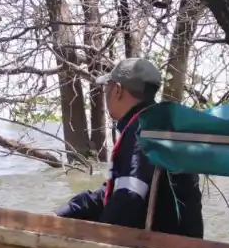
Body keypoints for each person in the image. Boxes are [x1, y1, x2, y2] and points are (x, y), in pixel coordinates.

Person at [56, 57, 204, 238]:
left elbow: (128, 199)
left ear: (117, 90)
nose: (105, 95)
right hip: (186, 242)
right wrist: (74, 208)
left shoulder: (141, 131)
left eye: (107, 87)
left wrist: (99, 240)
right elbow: (116, 190)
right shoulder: (161, 123)